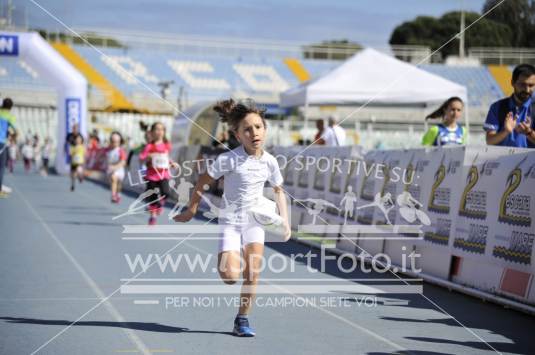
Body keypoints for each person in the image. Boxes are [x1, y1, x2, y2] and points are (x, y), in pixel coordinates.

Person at [173, 98, 291, 337]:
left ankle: (242, 319)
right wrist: (192, 209)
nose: (254, 133)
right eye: (247, 129)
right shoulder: (228, 159)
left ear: (265, 130)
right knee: (230, 277)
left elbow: (279, 191)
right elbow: (203, 181)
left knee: (253, 272)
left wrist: (286, 222)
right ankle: (229, 263)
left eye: (258, 127)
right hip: (230, 221)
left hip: (255, 221)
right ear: (238, 135)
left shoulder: (270, 162)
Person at [484, 64, 535, 148]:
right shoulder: (497, 107)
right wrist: (506, 131)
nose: (527, 90)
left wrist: (528, 132)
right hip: (503, 160)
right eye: (522, 84)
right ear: (512, 83)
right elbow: (489, 140)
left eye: (531, 85)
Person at [139, 122, 178, 225]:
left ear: (164, 132)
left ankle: (160, 205)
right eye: (157, 129)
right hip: (151, 175)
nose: (159, 131)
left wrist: (172, 163)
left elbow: (166, 157)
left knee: (166, 192)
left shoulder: (166, 145)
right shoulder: (149, 146)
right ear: (152, 132)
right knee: (153, 196)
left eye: (162, 129)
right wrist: (149, 156)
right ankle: (153, 217)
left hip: (163, 174)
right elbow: (141, 158)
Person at [0, 98, 16, 197]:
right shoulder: (10, 116)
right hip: (1, 142)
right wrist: (12, 137)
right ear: (11, 107)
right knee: (1, 167)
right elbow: (13, 131)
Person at [106, 131, 127, 203]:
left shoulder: (120, 150)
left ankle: (118, 194)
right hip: (110, 170)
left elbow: (123, 162)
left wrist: (115, 167)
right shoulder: (107, 150)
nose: (114, 143)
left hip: (119, 170)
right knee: (113, 178)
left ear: (119, 142)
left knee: (119, 184)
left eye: (116, 142)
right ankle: (113, 195)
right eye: (112, 141)